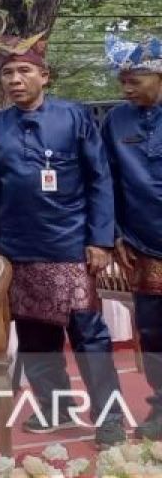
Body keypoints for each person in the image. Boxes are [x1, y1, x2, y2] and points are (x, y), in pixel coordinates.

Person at [0, 35, 125, 446]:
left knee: (88, 336)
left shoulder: (74, 117)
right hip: (17, 250)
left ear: (44, 75)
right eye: (7, 73)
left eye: (24, 71)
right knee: (34, 337)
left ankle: (109, 417)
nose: (15, 79)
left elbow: (100, 180)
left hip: (69, 248)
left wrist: (100, 239)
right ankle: (56, 407)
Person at [103, 34, 162, 438]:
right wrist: (116, 233)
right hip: (143, 244)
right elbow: (106, 181)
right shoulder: (115, 121)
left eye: (134, 78)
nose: (125, 86)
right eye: (122, 78)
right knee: (154, 331)